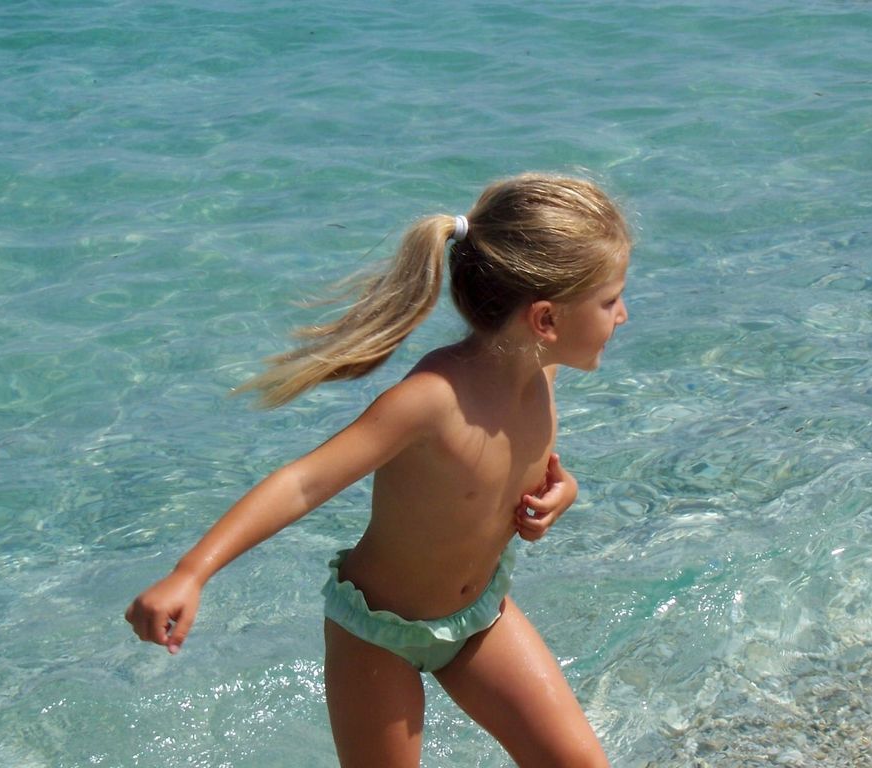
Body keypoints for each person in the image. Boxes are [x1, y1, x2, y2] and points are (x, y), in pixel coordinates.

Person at [126, 172, 631, 767]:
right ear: (545, 319)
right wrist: (191, 572)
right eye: (610, 301)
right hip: (378, 637)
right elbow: (304, 483)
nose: (623, 315)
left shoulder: (541, 373)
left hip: (480, 617)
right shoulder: (431, 401)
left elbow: (515, 466)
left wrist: (561, 491)